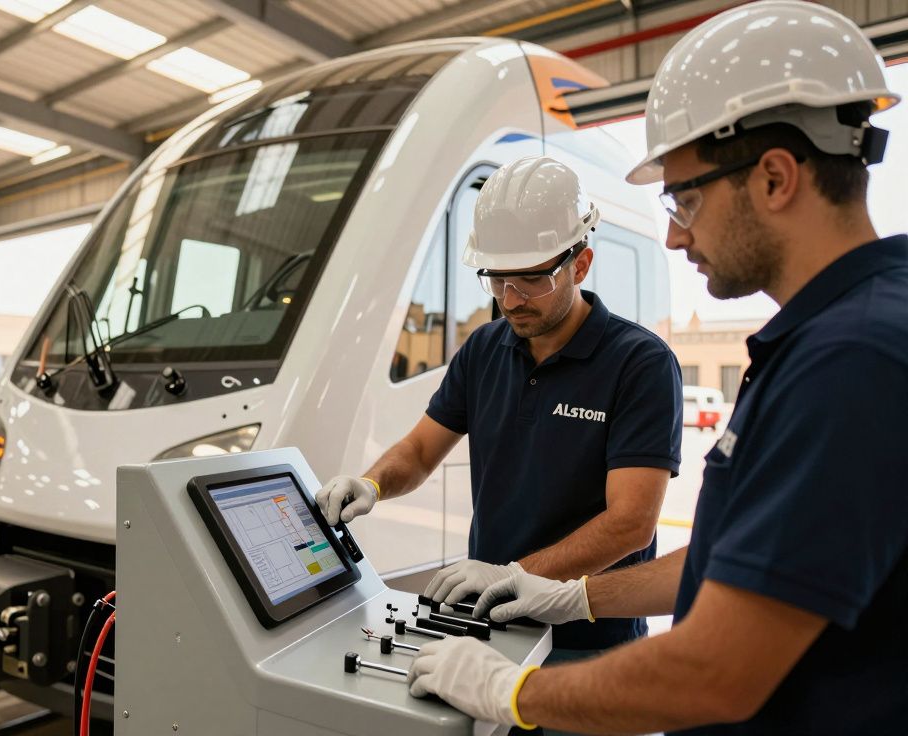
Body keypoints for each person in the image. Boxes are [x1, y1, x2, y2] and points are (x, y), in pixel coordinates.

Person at [403, 2, 907, 733]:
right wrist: (573, 596)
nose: (672, 235)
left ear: (774, 178)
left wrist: (514, 694)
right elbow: (737, 569)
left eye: (686, 196)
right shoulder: (837, 335)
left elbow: (714, 672)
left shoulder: (851, 363)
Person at [316, 157, 683, 672]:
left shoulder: (639, 363)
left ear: (579, 264)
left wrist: (513, 575)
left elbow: (630, 524)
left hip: (589, 642)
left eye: (532, 280)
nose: (510, 300)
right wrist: (372, 484)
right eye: (496, 279)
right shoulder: (484, 348)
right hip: (489, 627)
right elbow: (421, 450)